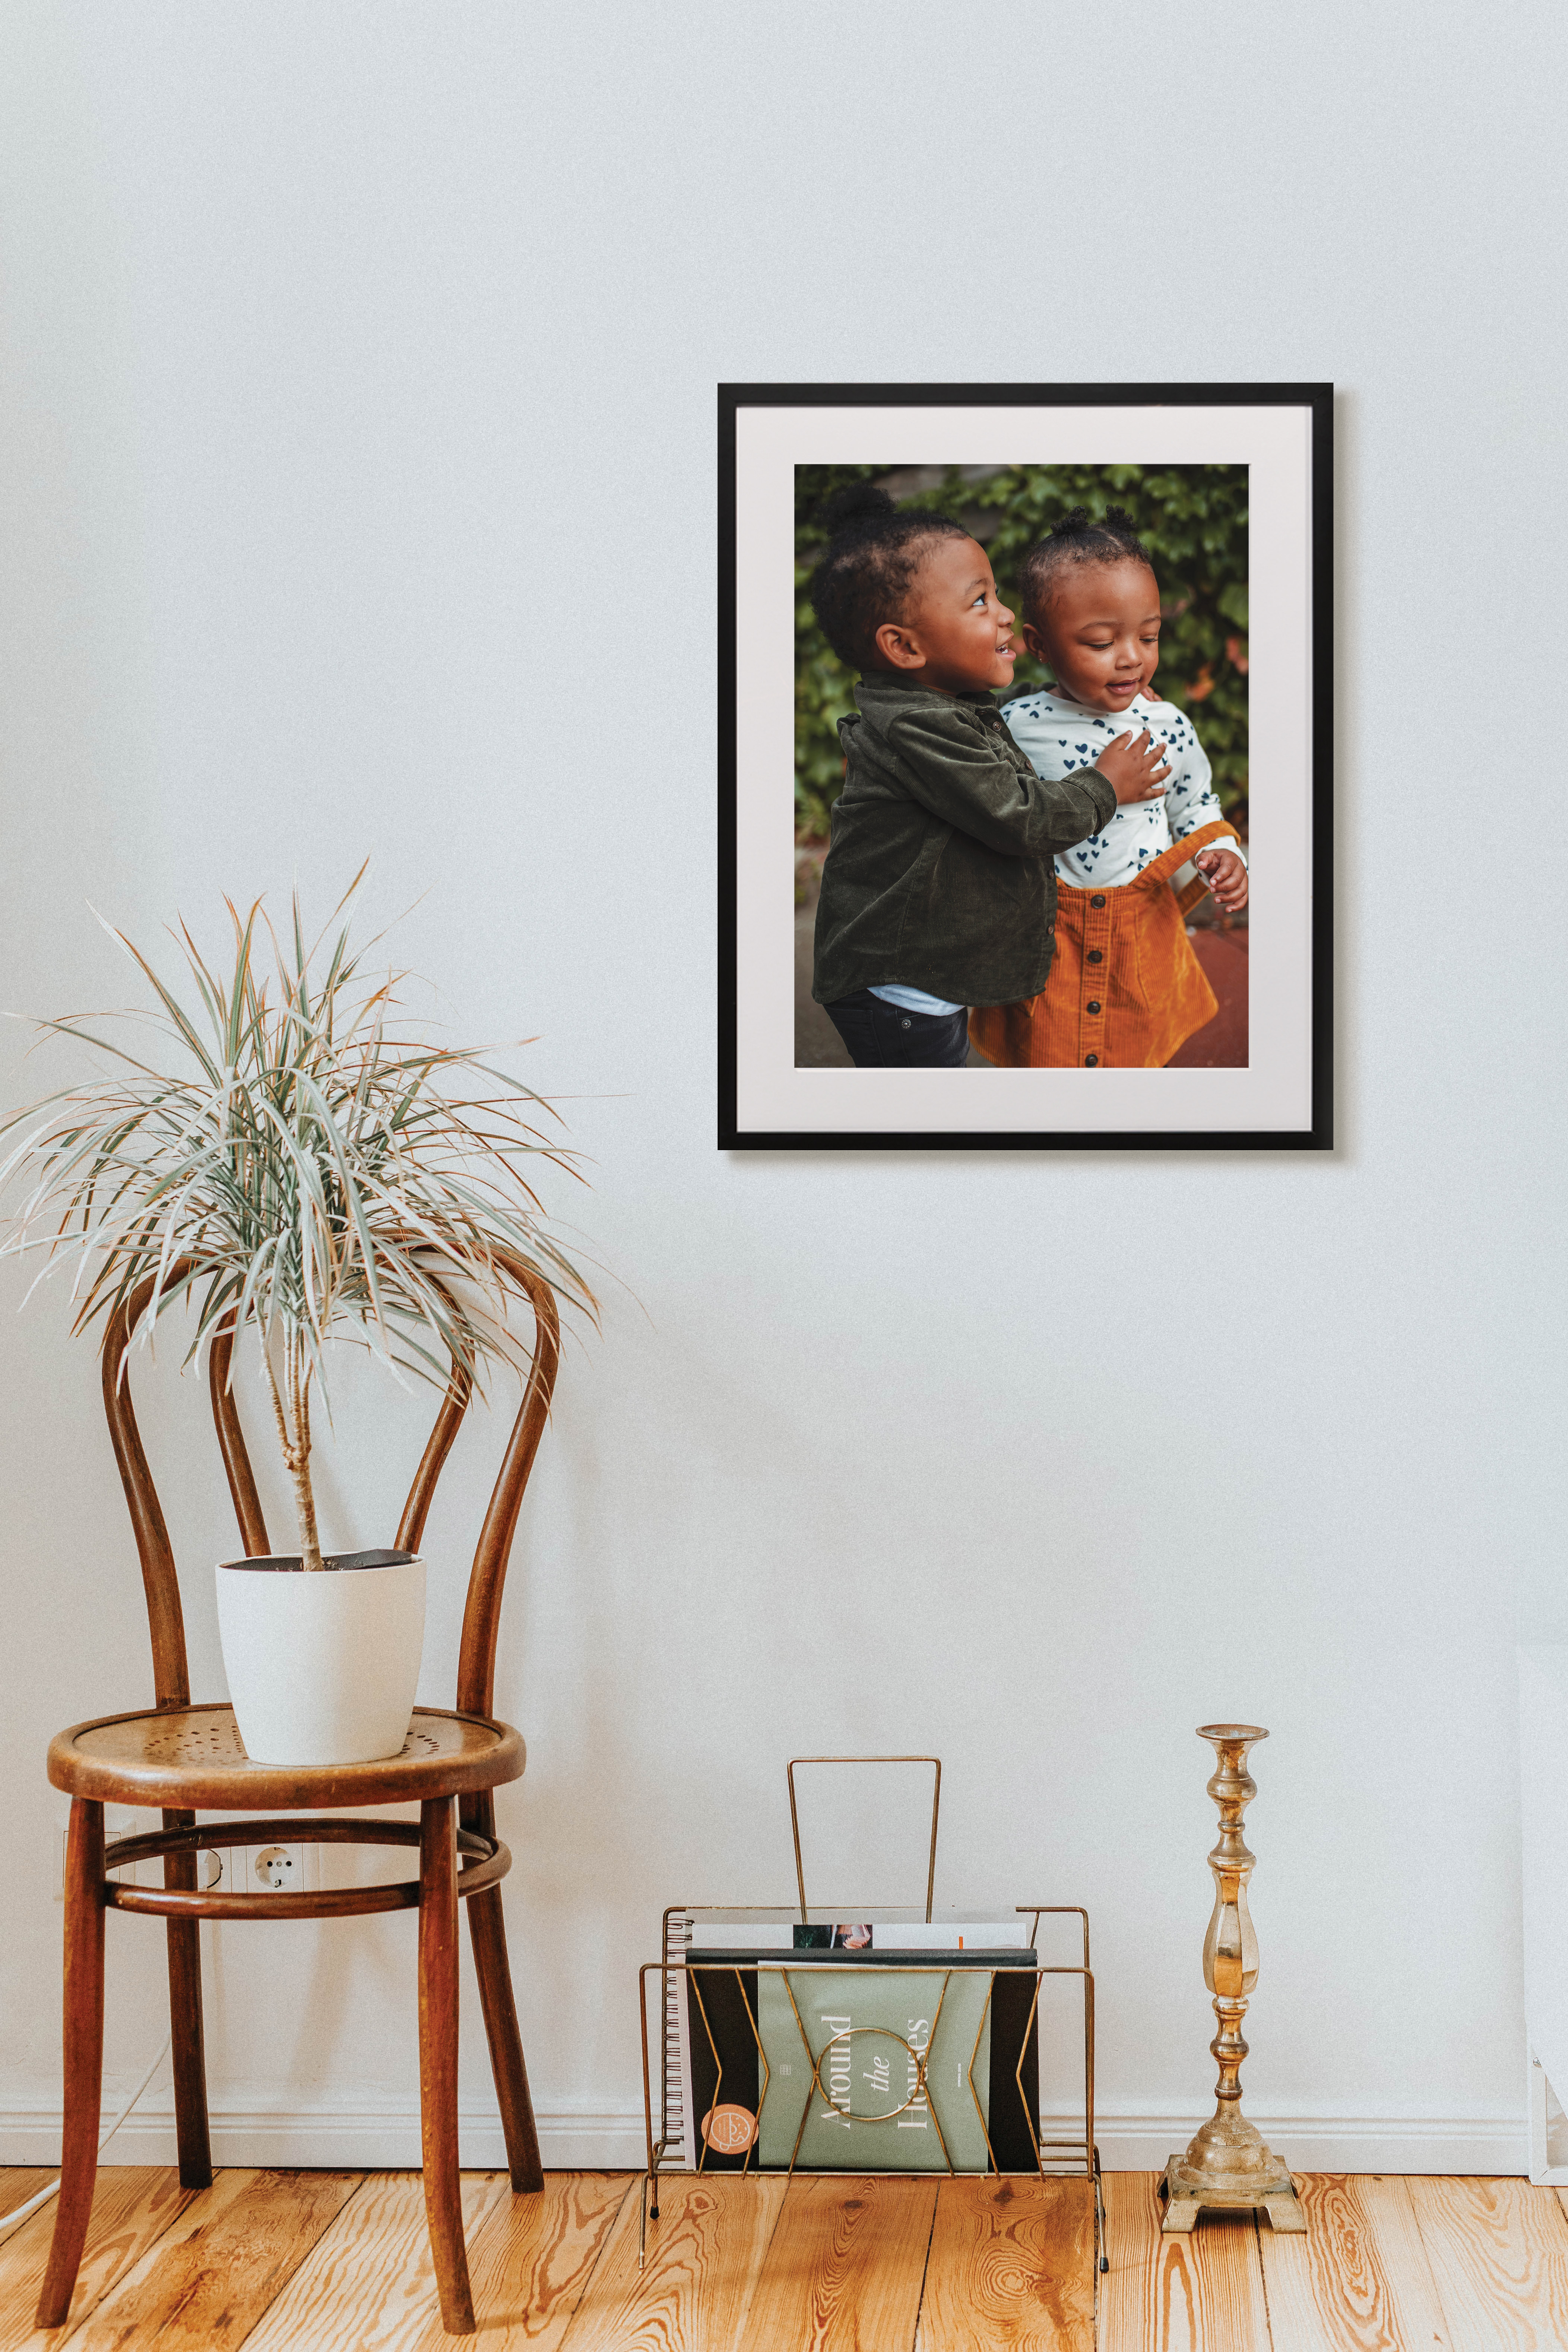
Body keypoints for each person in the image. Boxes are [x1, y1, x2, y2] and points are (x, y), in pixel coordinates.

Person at [808, 484, 1172, 1069]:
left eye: (996, 593)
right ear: (903, 647)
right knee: (920, 1123)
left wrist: (1074, 699)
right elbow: (1023, 816)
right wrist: (1106, 782)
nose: (1005, 613)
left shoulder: (941, 703)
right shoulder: (917, 730)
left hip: (923, 979)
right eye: (980, 601)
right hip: (897, 990)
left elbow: (995, 721)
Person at [970, 508, 1248, 1070]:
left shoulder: (1166, 727)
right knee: (1045, 1063)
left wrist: (1222, 852)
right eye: (1100, 642)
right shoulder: (1016, 725)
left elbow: (1195, 805)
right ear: (1039, 645)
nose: (1131, 657)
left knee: (1133, 1058)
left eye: (1149, 636)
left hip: (1140, 935)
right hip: (1047, 937)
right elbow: (996, 815)